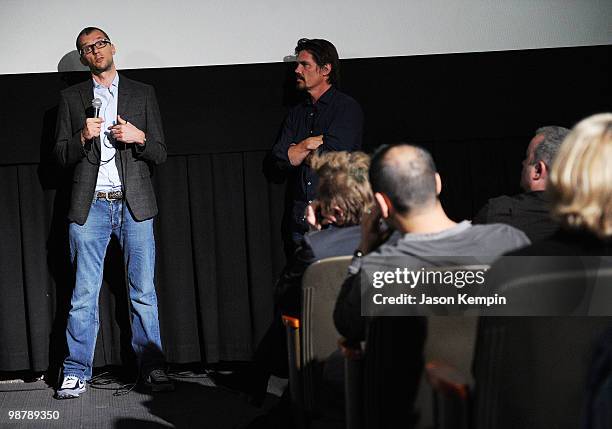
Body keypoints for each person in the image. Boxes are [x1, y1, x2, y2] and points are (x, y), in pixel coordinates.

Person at [333, 143, 530, 428]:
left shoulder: (383, 267)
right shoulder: (511, 241)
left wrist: (365, 249)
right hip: (503, 411)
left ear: (382, 204)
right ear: (437, 183)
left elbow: (346, 324)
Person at [53, 27, 172, 399]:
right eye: (87, 48)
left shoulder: (142, 93)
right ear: (83, 57)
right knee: (84, 293)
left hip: (134, 204)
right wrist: (81, 138)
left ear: (112, 47)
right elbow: (58, 156)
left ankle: (152, 367)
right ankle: (75, 371)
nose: (96, 51)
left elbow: (161, 153)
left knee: (143, 292)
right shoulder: (71, 99)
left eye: (100, 43)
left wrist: (140, 138)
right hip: (91, 207)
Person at [271, 38, 363, 257]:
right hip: (301, 224)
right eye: (298, 64)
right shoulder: (297, 113)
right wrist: (309, 143)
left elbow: (333, 157)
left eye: (305, 65)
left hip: (337, 224)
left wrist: (299, 150)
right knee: (306, 288)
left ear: (325, 69)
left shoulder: (346, 108)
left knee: (335, 286)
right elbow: (280, 157)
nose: (297, 70)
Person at [473, 126, 570, 242]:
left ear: (538, 171)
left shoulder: (498, 214)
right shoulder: (592, 219)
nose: (523, 163)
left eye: (527, 157)